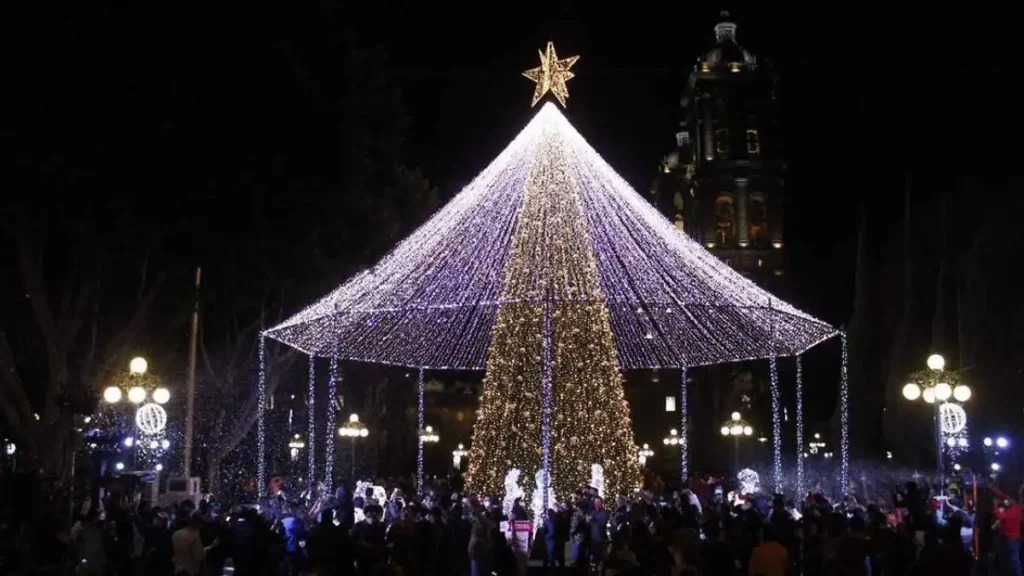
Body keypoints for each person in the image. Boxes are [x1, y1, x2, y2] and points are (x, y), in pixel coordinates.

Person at [993, 497, 1024, 576]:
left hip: (1012, 538)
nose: (1007, 501)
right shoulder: (1017, 507)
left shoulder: (1011, 512)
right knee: (1013, 557)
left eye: (1009, 500)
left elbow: (999, 515)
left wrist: (995, 504)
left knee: (1014, 559)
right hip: (1015, 537)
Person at [171, 512, 206, 576]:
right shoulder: (194, 536)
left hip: (177, 569)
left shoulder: (176, 533)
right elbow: (198, 556)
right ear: (198, 523)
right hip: (190, 571)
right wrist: (205, 552)